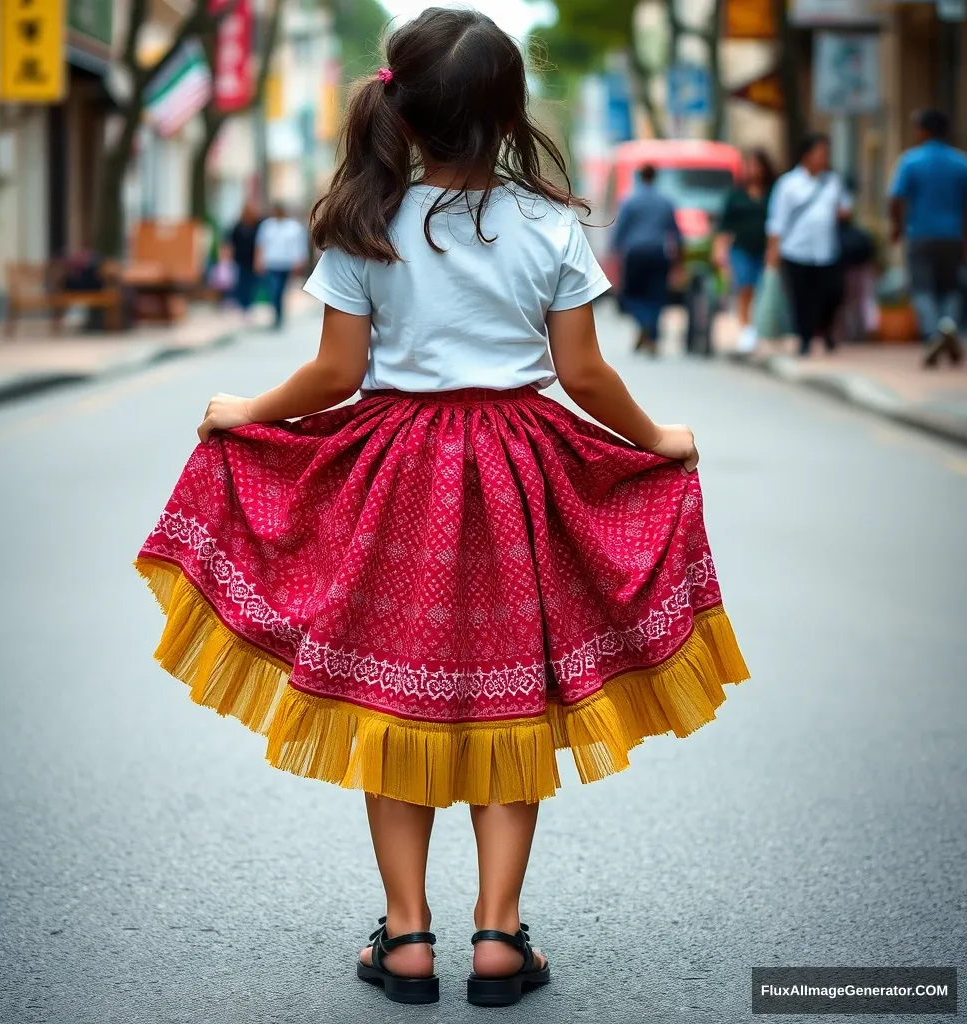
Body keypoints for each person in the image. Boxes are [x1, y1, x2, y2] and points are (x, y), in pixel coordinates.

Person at [135, 8, 748, 1010]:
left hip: (396, 479)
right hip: (518, 475)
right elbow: (583, 374)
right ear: (509, 116)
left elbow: (335, 375)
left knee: (397, 700)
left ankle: (409, 937)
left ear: (406, 115)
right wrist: (655, 439)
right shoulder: (549, 224)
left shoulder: (362, 223)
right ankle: (500, 936)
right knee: (516, 699)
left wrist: (245, 410)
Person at [889, 108, 967, 367]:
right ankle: (950, 325)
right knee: (951, 287)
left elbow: (896, 198)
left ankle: (934, 333)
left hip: (920, 235)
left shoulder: (911, 161)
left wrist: (897, 228)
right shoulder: (960, 162)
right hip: (953, 236)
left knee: (922, 287)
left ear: (924, 130)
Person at [765, 133, 852, 356]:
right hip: (796, 249)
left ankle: (826, 331)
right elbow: (777, 220)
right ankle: (804, 339)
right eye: (819, 152)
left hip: (827, 250)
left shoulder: (833, 181)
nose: (824, 157)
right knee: (801, 298)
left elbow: (845, 208)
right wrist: (773, 251)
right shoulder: (788, 184)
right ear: (806, 155)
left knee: (832, 293)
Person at [612, 163, 683, 354]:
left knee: (631, 295)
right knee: (656, 296)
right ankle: (651, 334)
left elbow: (619, 233)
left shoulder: (630, 201)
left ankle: (644, 324)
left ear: (639, 177)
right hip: (658, 253)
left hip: (635, 254)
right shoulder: (665, 202)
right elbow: (676, 234)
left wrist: (615, 256)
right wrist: (679, 261)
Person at [715, 149, 776, 352]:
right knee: (744, 287)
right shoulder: (736, 195)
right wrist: (719, 250)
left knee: (761, 288)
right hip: (741, 248)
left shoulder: (772, 193)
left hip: (765, 249)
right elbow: (724, 225)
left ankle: (758, 327)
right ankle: (746, 329)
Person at [256, 202, 308, 328]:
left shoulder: (293, 227)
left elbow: (300, 245)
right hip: (271, 262)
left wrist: (300, 261)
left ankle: (280, 314)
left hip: (286, 263)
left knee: (281, 290)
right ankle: (276, 315)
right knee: (274, 290)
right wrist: (258, 261)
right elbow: (260, 245)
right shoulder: (267, 226)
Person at [229, 201, 262, 318]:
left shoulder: (258, 225)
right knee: (241, 283)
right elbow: (231, 242)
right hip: (240, 259)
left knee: (252, 283)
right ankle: (243, 305)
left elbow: (262, 243)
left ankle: (249, 305)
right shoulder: (238, 226)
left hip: (253, 260)